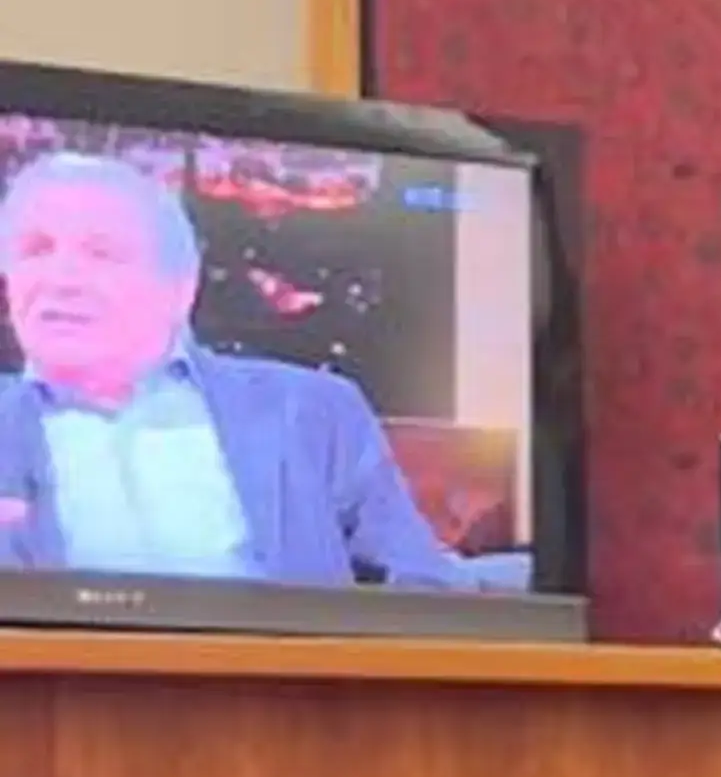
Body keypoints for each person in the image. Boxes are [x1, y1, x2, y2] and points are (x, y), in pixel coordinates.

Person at [0, 149, 479, 590]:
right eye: (35, 250)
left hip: (282, 678)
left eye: (101, 253)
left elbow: (421, 587)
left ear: (179, 286)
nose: (59, 279)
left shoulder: (314, 411)